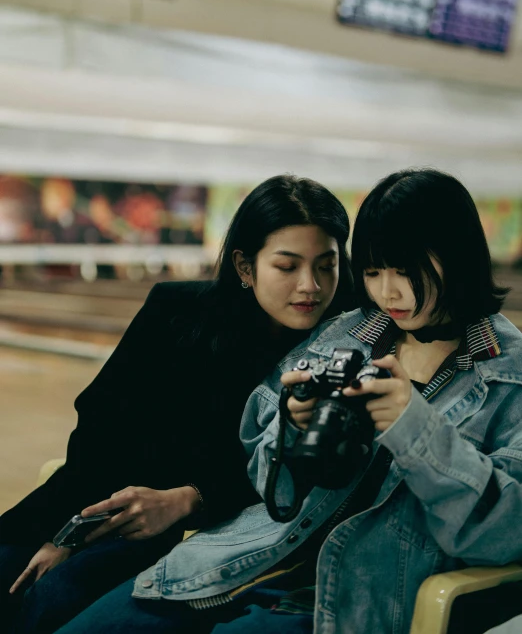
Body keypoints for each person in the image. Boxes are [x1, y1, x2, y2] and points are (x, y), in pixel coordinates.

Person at [51, 167, 522, 634]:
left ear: (457, 258)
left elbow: (506, 532)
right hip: (246, 559)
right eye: (375, 272)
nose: (387, 292)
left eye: (407, 271)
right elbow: (262, 475)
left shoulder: (511, 376)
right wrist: (291, 427)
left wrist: (416, 431)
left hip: (357, 596)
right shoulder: (347, 334)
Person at [0, 174, 354, 634]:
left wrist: (193, 498)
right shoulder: (176, 310)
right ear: (245, 267)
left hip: (204, 536)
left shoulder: (338, 349)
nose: (311, 286)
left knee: (49, 599)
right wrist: (65, 534)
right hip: (102, 505)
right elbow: (100, 428)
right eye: (287, 267)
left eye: (326, 266)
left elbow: (286, 479)